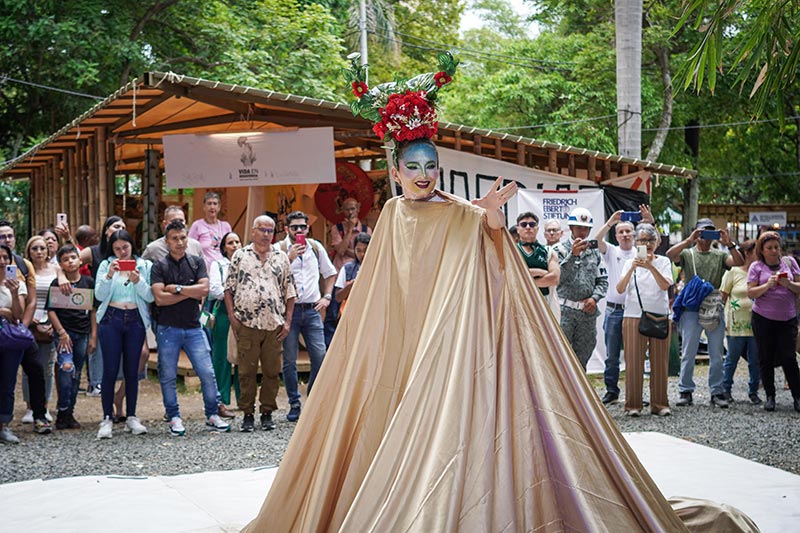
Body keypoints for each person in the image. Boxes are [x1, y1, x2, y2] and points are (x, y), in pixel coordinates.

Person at [244, 53, 735, 532]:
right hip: (404, 336)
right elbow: (383, 288)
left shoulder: (460, 208)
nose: (422, 174)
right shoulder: (393, 214)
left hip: (454, 339)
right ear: (395, 171)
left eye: (430, 165)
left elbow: (494, 255)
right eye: (412, 165)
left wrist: (494, 219)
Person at [151, 220, 231, 436]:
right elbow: (159, 299)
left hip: (194, 327)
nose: (179, 242)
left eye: (183, 237)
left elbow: (204, 290)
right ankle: (174, 417)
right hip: (168, 328)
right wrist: (189, 293)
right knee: (167, 374)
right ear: (166, 241)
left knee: (207, 371)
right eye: (174, 238)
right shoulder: (159, 266)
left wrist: (176, 290)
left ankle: (212, 414)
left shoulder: (197, 262)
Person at [225, 216, 296, 432]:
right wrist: (232, 318)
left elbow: (290, 291)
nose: (266, 234)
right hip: (247, 323)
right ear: (253, 231)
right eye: (262, 230)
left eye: (270, 230)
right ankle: (247, 413)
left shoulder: (281, 257)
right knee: (246, 372)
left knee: (272, 371)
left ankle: (267, 412)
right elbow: (228, 288)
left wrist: (287, 322)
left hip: (274, 324)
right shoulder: (240, 256)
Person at [666, 218, 743, 408]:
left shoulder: (719, 255)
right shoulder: (687, 253)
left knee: (716, 351)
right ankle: (685, 391)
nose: (705, 236)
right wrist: (688, 240)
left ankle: (716, 391)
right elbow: (669, 254)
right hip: (691, 307)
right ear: (696, 232)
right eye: (702, 232)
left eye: (710, 232)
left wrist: (729, 244)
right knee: (688, 351)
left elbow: (739, 262)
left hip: (713, 303)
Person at [94, 230, 153, 439]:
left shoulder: (144, 265)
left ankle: (132, 416)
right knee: (109, 369)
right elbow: (99, 295)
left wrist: (138, 280)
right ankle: (107, 417)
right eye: (117, 248)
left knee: (132, 370)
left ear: (132, 245)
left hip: (135, 319)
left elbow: (150, 296)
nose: (121, 252)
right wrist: (110, 275)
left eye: (125, 247)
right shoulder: (105, 265)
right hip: (111, 318)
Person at [278, 211, 337, 422]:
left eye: (303, 227)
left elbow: (330, 273)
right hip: (289, 312)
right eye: (295, 228)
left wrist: (327, 296)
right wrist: (289, 257)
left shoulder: (315, 247)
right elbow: (271, 275)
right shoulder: (280, 248)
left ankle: (312, 399)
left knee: (320, 355)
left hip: (312, 309)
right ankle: (294, 402)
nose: (299, 231)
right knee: (289, 360)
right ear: (287, 229)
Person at [595, 207, 654, 404]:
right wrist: (610, 221)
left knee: (635, 355)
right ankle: (612, 390)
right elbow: (597, 240)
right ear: (617, 236)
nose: (625, 234)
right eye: (621, 232)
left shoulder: (641, 251)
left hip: (635, 310)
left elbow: (657, 242)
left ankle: (635, 393)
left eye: (628, 231)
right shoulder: (611, 251)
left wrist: (650, 223)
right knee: (612, 355)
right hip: (613, 310)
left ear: (634, 233)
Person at [615, 223, 674, 417]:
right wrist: (633, 267)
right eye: (641, 240)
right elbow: (620, 289)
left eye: (650, 240)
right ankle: (633, 404)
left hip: (659, 315)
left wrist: (650, 266)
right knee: (633, 361)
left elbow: (665, 285)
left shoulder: (664, 261)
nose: (646, 244)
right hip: (633, 315)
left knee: (659, 361)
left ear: (657, 242)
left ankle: (659, 404)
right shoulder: (629, 261)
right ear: (635, 242)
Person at [0, 220, 50, 434]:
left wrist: (22, 327)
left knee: (36, 368)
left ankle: (39, 415)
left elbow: (30, 300)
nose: (7, 240)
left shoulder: (22, 264)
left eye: (10, 236)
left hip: (19, 329)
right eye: (3, 237)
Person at [746, 231, 800, 412]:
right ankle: (770, 396)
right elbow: (751, 293)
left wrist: (789, 285)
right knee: (765, 357)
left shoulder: (790, 263)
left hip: (788, 318)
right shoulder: (756, 267)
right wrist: (767, 285)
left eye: (776, 247)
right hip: (763, 318)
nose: (774, 251)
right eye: (769, 248)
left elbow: (799, 287)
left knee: (789, 357)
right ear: (762, 250)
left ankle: (797, 396)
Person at [46, 244, 96, 429]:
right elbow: (50, 311)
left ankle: (68, 415)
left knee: (76, 375)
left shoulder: (88, 282)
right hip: (63, 334)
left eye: (73, 258)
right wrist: (61, 333)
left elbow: (92, 311)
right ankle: (63, 408)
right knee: (66, 368)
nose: (70, 262)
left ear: (80, 260)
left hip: (82, 334)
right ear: (60, 264)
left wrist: (93, 336)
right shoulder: (56, 283)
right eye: (65, 259)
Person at [554, 207, 609, 369]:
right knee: (561, 356)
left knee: (583, 356)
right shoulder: (559, 250)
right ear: (571, 228)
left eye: (586, 228)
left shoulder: (595, 252)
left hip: (587, 313)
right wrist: (573, 255)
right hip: (564, 312)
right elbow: (558, 278)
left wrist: (595, 298)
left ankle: (578, 393)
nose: (582, 232)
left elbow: (603, 281)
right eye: (578, 227)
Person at [21, 236, 58, 425]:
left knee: (48, 368)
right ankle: (30, 406)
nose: (39, 252)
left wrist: (54, 322)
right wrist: (30, 319)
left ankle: (44, 405)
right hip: (30, 321)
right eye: (34, 248)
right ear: (29, 251)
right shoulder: (24, 270)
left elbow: (60, 296)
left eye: (42, 248)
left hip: (51, 321)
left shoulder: (56, 269)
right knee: (30, 368)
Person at [720, 240, 761, 404]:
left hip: (756, 324)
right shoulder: (733, 272)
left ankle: (753, 391)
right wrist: (724, 320)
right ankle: (726, 389)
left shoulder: (760, 273)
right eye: (755, 252)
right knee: (732, 358)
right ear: (746, 254)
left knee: (755, 360)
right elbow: (723, 297)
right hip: (736, 323)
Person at [208, 231, 242, 412]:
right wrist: (233, 296)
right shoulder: (218, 265)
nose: (235, 245)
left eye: (237, 241)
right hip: (222, 312)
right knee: (221, 355)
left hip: (244, 312)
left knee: (243, 355)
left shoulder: (247, 263)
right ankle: (221, 398)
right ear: (223, 247)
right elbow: (214, 289)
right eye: (230, 242)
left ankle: (243, 398)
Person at [0, 243, 27, 444]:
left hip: (9, 337)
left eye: (5, 258)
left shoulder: (17, 283)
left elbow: (18, 315)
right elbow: (8, 313)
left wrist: (15, 293)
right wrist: (2, 311)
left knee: (8, 381)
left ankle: (4, 425)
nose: (1, 262)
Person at [514, 212, 560, 318]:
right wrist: (539, 272)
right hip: (519, 302)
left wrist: (524, 280)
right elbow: (510, 277)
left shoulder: (548, 251)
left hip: (543, 303)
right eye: (524, 224)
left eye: (532, 224)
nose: (528, 227)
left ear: (537, 228)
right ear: (518, 229)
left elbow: (554, 279)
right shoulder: (511, 251)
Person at [189, 191, 232, 269]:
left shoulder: (226, 226)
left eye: (215, 204)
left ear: (219, 207)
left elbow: (231, 247)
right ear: (204, 207)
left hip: (223, 268)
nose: (212, 207)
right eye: (209, 203)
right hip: (204, 269)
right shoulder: (197, 225)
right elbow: (190, 247)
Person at [328, 197, 373, 271]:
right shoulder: (336, 228)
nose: (350, 212)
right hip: (341, 269)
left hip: (360, 270)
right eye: (347, 209)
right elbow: (341, 251)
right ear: (343, 211)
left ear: (358, 209)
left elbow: (367, 254)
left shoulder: (366, 230)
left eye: (353, 209)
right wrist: (349, 230)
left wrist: (347, 250)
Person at [333, 232, 370, 309]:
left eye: (366, 250)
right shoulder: (347, 269)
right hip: (352, 312)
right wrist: (352, 285)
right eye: (358, 251)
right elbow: (338, 297)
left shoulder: (377, 268)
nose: (362, 254)